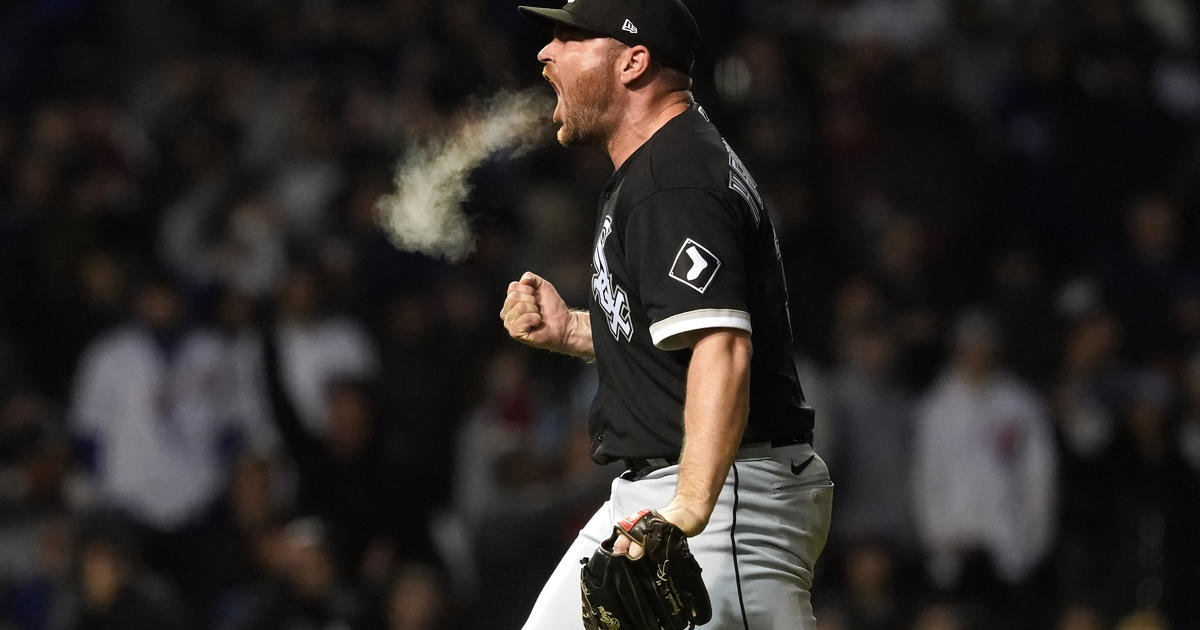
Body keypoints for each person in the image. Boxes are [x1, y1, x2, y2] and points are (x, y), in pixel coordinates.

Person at [499, 1, 833, 628]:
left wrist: (688, 509)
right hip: (672, 487)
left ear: (632, 61)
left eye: (570, 38)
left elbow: (722, 347)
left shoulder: (672, 180)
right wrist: (573, 328)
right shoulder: (657, 168)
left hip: (724, 492)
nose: (546, 54)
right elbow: (675, 339)